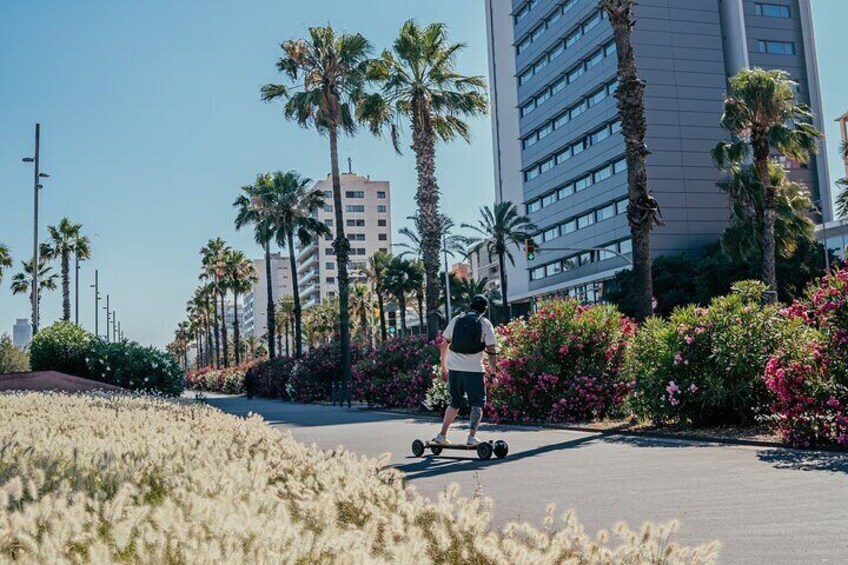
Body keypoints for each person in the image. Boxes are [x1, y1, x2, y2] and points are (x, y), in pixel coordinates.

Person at [431, 294, 497, 446]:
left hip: (454, 369)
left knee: (454, 402)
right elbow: (491, 351)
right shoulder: (484, 323)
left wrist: (443, 367)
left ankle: (442, 435)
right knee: (477, 403)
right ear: (484, 309)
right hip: (474, 370)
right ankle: (472, 437)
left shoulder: (457, 320)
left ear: (471, 305)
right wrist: (493, 374)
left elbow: (444, 344)